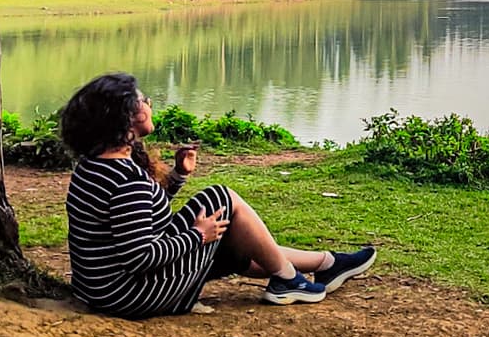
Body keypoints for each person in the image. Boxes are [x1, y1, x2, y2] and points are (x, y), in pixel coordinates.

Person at [58, 73, 376, 318]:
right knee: (221, 199)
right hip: (130, 296)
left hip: (101, 290)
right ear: (127, 117)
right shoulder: (126, 179)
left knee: (233, 237)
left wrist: (179, 175)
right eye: (143, 100)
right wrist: (197, 235)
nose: (150, 105)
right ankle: (289, 279)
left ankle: (325, 263)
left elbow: (140, 218)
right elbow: (140, 256)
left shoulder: (94, 167)